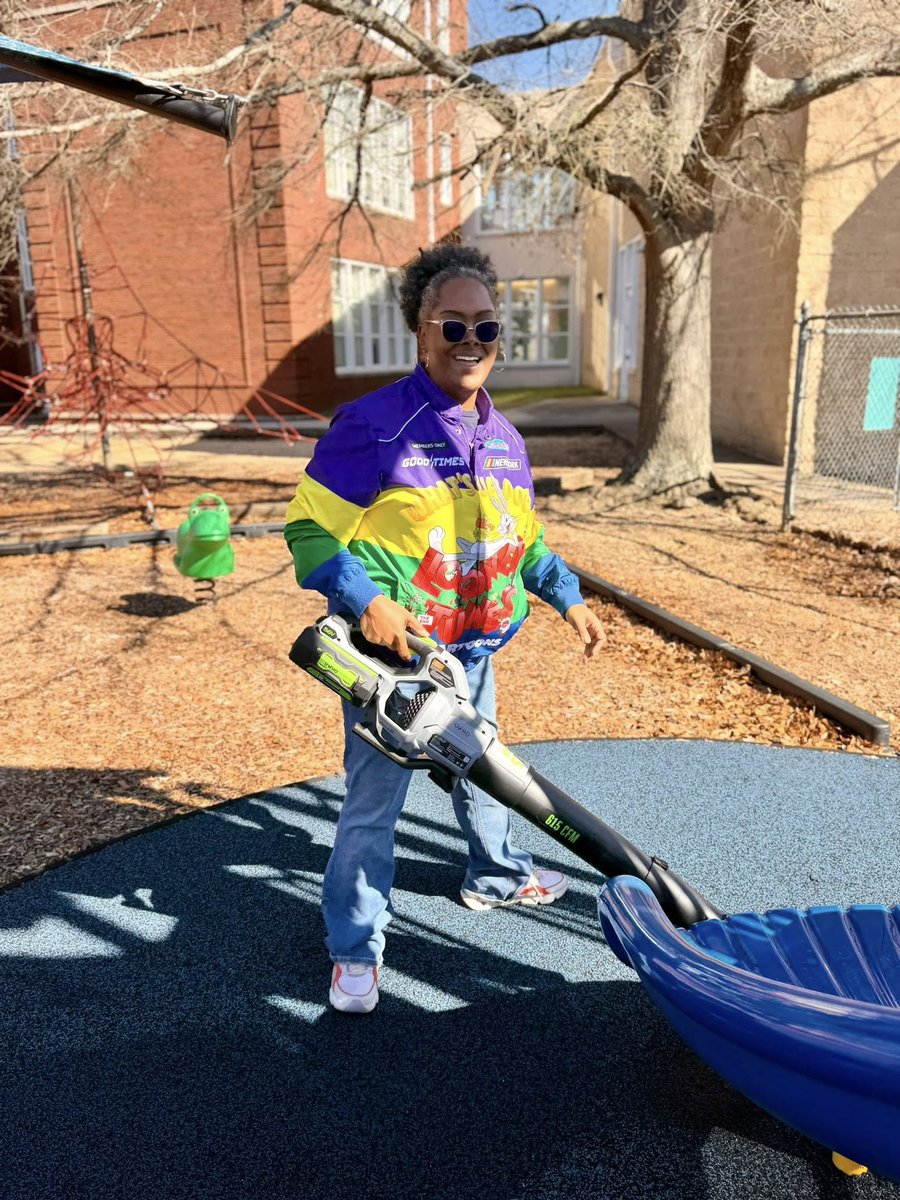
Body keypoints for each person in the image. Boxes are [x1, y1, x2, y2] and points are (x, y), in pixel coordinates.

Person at [284, 241, 605, 1014]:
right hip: (396, 663)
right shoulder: (375, 426)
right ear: (420, 332)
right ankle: (355, 950)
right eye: (452, 326)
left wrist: (566, 594)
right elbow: (308, 532)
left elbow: (519, 543)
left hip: (477, 652)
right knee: (372, 810)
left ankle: (493, 874)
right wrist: (366, 601)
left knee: (485, 767)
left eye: (485, 328)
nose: (470, 344)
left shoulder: (505, 439)